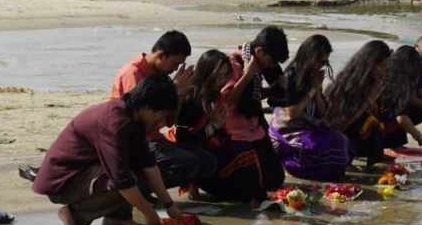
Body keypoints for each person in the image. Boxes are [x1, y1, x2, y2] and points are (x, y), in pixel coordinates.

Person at [33, 75, 186, 225]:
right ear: (148, 108)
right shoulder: (115, 123)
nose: (161, 119)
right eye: (161, 114)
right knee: (126, 180)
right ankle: (75, 214)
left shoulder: (134, 116)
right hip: (62, 181)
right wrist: (149, 213)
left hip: (85, 170)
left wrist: (169, 205)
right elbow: (121, 180)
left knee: (135, 170)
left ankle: (119, 219)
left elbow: (148, 164)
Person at [108, 30, 217, 193]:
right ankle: (134, 190)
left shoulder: (161, 74)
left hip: (155, 138)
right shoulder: (133, 72)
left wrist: (178, 95)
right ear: (161, 55)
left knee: (208, 162)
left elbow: (169, 122)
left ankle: (145, 188)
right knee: (188, 162)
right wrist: (173, 90)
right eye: (174, 64)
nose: (175, 69)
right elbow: (141, 123)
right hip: (135, 140)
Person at [171, 50, 271, 202]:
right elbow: (183, 141)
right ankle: (197, 184)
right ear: (206, 72)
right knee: (242, 157)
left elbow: (218, 130)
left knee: (247, 152)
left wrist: (216, 127)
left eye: (225, 76)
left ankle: (252, 195)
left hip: (211, 145)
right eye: (218, 76)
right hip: (194, 154)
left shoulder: (215, 95)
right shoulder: (191, 99)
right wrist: (213, 126)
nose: (222, 81)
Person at [269, 35, 352, 180]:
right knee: (319, 146)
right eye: (320, 61)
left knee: (341, 140)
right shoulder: (290, 75)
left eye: (325, 62)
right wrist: (313, 90)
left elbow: (322, 111)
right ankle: (290, 164)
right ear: (310, 57)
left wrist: (317, 89)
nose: (321, 66)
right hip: (289, 127)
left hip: (307, 123)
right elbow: (292, 113)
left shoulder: (312, 75)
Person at [220, 26, 290, 192]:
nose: (271, 65)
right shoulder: (234, 64)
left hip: (253, 129)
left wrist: (275, 89)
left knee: (275, 178)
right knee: (257, 184)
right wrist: (248, 74)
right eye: (271, 60)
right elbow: (227, 99)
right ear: (259, 51)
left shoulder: (253, 64)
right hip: (234, 133)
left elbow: (252, 95)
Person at [323, 40, 393, 165]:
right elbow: (344, 123)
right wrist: (369, 100)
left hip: (352, 134)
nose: (383, 71)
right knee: (372, 121)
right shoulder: (351, 83)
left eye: (386, 67)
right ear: (370, 63)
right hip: (337, 135)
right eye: (382, 66)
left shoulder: (372, 81)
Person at [379, 45, 422, 147]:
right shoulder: (400, 83)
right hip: (377, 127)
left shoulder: (385, 71)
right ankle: (387, 142)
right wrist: (419, 136)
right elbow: (401, 119)